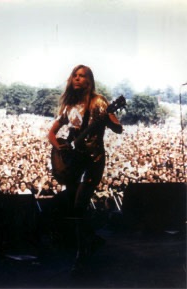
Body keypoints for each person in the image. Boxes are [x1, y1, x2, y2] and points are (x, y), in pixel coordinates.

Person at [48, 65, 123, 275]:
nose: (77, 79)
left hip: (94, 159)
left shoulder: (99, 102)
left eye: (82, 76)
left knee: (80, 204)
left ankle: (82, 254)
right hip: (75, 161)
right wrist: (59, 147)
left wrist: (109, 118)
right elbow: (52, 134)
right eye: (75, 75)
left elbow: (118, 128)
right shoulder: (70, 105)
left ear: (89, 80)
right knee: (73, 204)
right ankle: (89, 241)